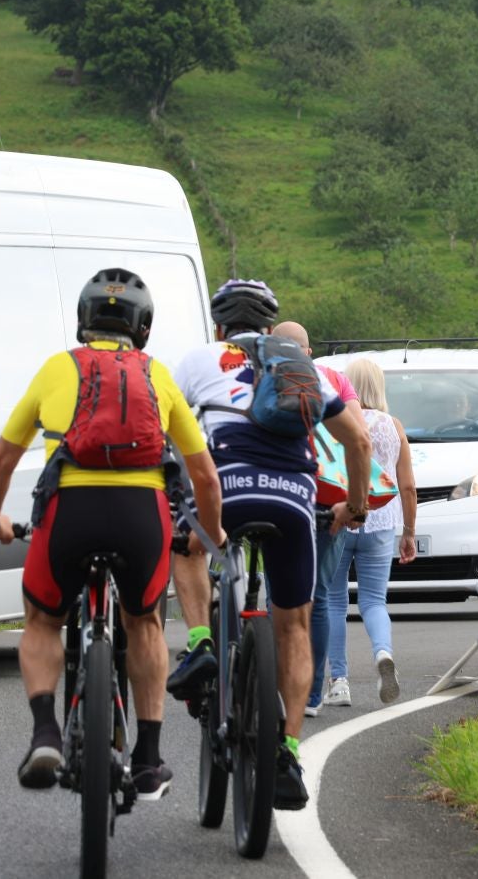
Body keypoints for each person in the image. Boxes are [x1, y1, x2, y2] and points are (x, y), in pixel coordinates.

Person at [0, 268, 225, 801]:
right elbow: (203, 474)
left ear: (84, 320)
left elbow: (0, 460)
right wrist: (211, 531)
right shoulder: (158, 376)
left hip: (71, 509)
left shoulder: (56, 369)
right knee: (145, 623)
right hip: (142, 514)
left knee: (43, 619)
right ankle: (150, 758)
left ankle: (46, 732)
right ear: (143, 328)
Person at [166, 280, 371, 811]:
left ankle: (199, 644)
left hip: (225, 492)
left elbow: (165, 425)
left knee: (185, 547)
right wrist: (356, 503)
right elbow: (360, 441)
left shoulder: (198, 359)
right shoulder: (304, 367)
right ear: (269, 323)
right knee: (295, 624)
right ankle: (287, 750)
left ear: (219, 327)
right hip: (293, 500)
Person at [266, 320, 367, 717]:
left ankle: (277, 687)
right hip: (331, 498)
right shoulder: (337, 381)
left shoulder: (265, 377)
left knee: (280, 593)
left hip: (283, 492)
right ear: (308, 351)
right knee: (320, 594)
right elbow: (358, 434)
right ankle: (309, 695)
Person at [323, 359, 417, 707]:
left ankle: (339, 681)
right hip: (381, 522)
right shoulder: (394, 426)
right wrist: (409, 531)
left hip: (342, 517)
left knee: (334, 600)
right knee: (375, 601)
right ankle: (382, 654)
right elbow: (407, 486)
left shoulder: (339, 422)